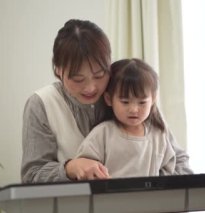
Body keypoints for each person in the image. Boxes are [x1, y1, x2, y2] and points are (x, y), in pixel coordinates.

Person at [21, 19, 191, 183]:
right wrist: (70, 168)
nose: (91, 88)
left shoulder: (130, 93)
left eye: (99, 75)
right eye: (78, 79)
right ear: (58, 70)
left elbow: (179, 160)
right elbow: (32, 174)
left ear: (109, 64)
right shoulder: (42, 104)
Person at [75, 58, 193, 178]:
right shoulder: (102, 133)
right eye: (125, 102)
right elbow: (85, 169)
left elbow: (170, 168)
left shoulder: (158, 134)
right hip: (111, 196)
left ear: (153, 99)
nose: (134, 109)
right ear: (109, 99)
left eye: (142, 102)